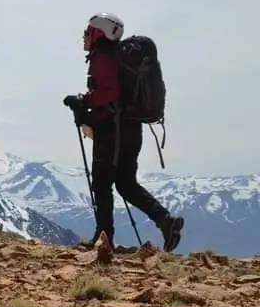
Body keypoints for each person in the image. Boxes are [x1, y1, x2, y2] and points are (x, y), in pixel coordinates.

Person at [63, 13, 183, 252]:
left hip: (112, 131)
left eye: (89, 31)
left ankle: (103, 238)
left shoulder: (103, 58)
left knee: (102, 182)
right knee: (126, 183)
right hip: (129, 129)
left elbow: (108, 94)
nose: (85, 36)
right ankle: (165, 221)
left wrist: (83, 100)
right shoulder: (116, 57)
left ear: (101, 33)